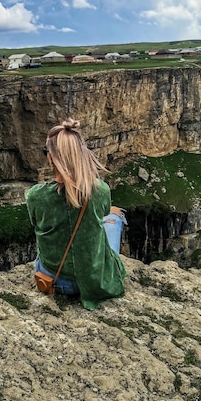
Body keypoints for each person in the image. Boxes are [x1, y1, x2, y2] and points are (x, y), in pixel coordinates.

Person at [26, 118, 127, 310]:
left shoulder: (36, 196)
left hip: (55, 280)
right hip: (94, 278)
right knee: (113, 219)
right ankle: (119, 218)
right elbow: (103, 212)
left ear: (50, 157)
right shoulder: (101, 191)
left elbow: (35, 222)